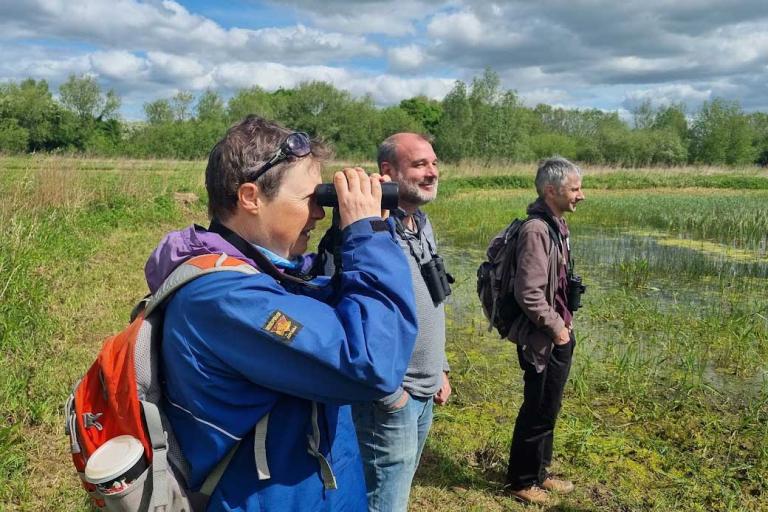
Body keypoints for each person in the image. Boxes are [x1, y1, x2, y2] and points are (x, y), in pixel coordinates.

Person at [143, 115, 419, 511]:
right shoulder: (224, 298)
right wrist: (368, 236)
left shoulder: (265, 274)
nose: (320, 214)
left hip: (313, 488)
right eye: (311, 200)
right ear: (251, 197)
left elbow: (338, 311)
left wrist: (348, 235)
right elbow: (372, 362)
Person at [346, 133, 452, 512]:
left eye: (434, 163)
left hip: (424, 388)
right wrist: (390, 394)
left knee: (399, 490)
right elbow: (350, 319)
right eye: (420, 165)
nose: (431, 173)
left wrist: (440, 367)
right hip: (392, 395)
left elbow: (433, 301)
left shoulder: (420, 222)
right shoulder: (366, 234)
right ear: (387, 172)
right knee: (383, 501)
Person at [504, 157, 585, 504]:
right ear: (551, 191)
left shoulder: (557, 224)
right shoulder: (537, 230)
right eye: (575, 188)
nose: (581, 195)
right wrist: (558, 330)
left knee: (548, 406)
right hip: (544, 338)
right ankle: (522, 481)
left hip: (555, 333)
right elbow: (528, 292)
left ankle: (539, 472)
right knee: (537, 408)